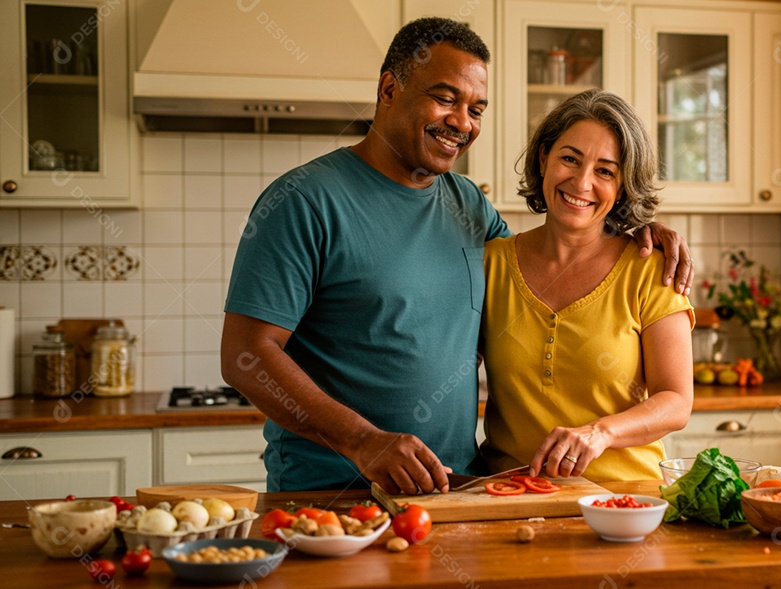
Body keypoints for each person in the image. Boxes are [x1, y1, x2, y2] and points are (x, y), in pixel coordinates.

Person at [220, 18, 693, 495]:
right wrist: (364, 442)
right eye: (445, 99)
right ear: (389, 89)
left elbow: (551, 262)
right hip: (333, 492)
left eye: (476, 108)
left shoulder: (468, 205)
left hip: (457, 492)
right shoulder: (305, 200)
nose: (462, 122)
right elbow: (246, 354)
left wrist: (630, 227)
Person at [480, 89, 694, 482]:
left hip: (624, 503)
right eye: (569, 159)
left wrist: (601, 433)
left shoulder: (651, 269)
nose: (581, 182)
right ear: (544, 158)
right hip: (508, 498)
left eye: (605, 171)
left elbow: (677, 401)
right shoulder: (489, 264)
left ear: (623, 185)